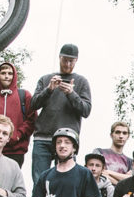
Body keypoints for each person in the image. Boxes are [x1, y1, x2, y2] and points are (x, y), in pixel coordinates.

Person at [29, 43, 92, 177]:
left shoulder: (82, 82)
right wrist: (49, 90)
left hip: (67, 139)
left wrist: (71, 93)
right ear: (59, 58)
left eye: (71, 61)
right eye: (65, 60)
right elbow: (33, 104)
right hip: (43, 137)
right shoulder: (45, 79)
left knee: (65, 180)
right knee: (39, 180)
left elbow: (86, 110)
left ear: (76, 60)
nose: (68, 64)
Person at [29, 127, 98, 197]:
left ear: (74, 148)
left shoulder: (84, 174)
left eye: (67, 142)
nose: (62, 145)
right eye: (59, 142)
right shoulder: (45, 176)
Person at [0, 61, 33, 168]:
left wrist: (17, 135)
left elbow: (31, 120)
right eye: (3, 73)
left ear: (15, 75)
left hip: (16, 152)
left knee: (9, 183)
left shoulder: (24, 95)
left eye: (10, 73)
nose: (7, 76)